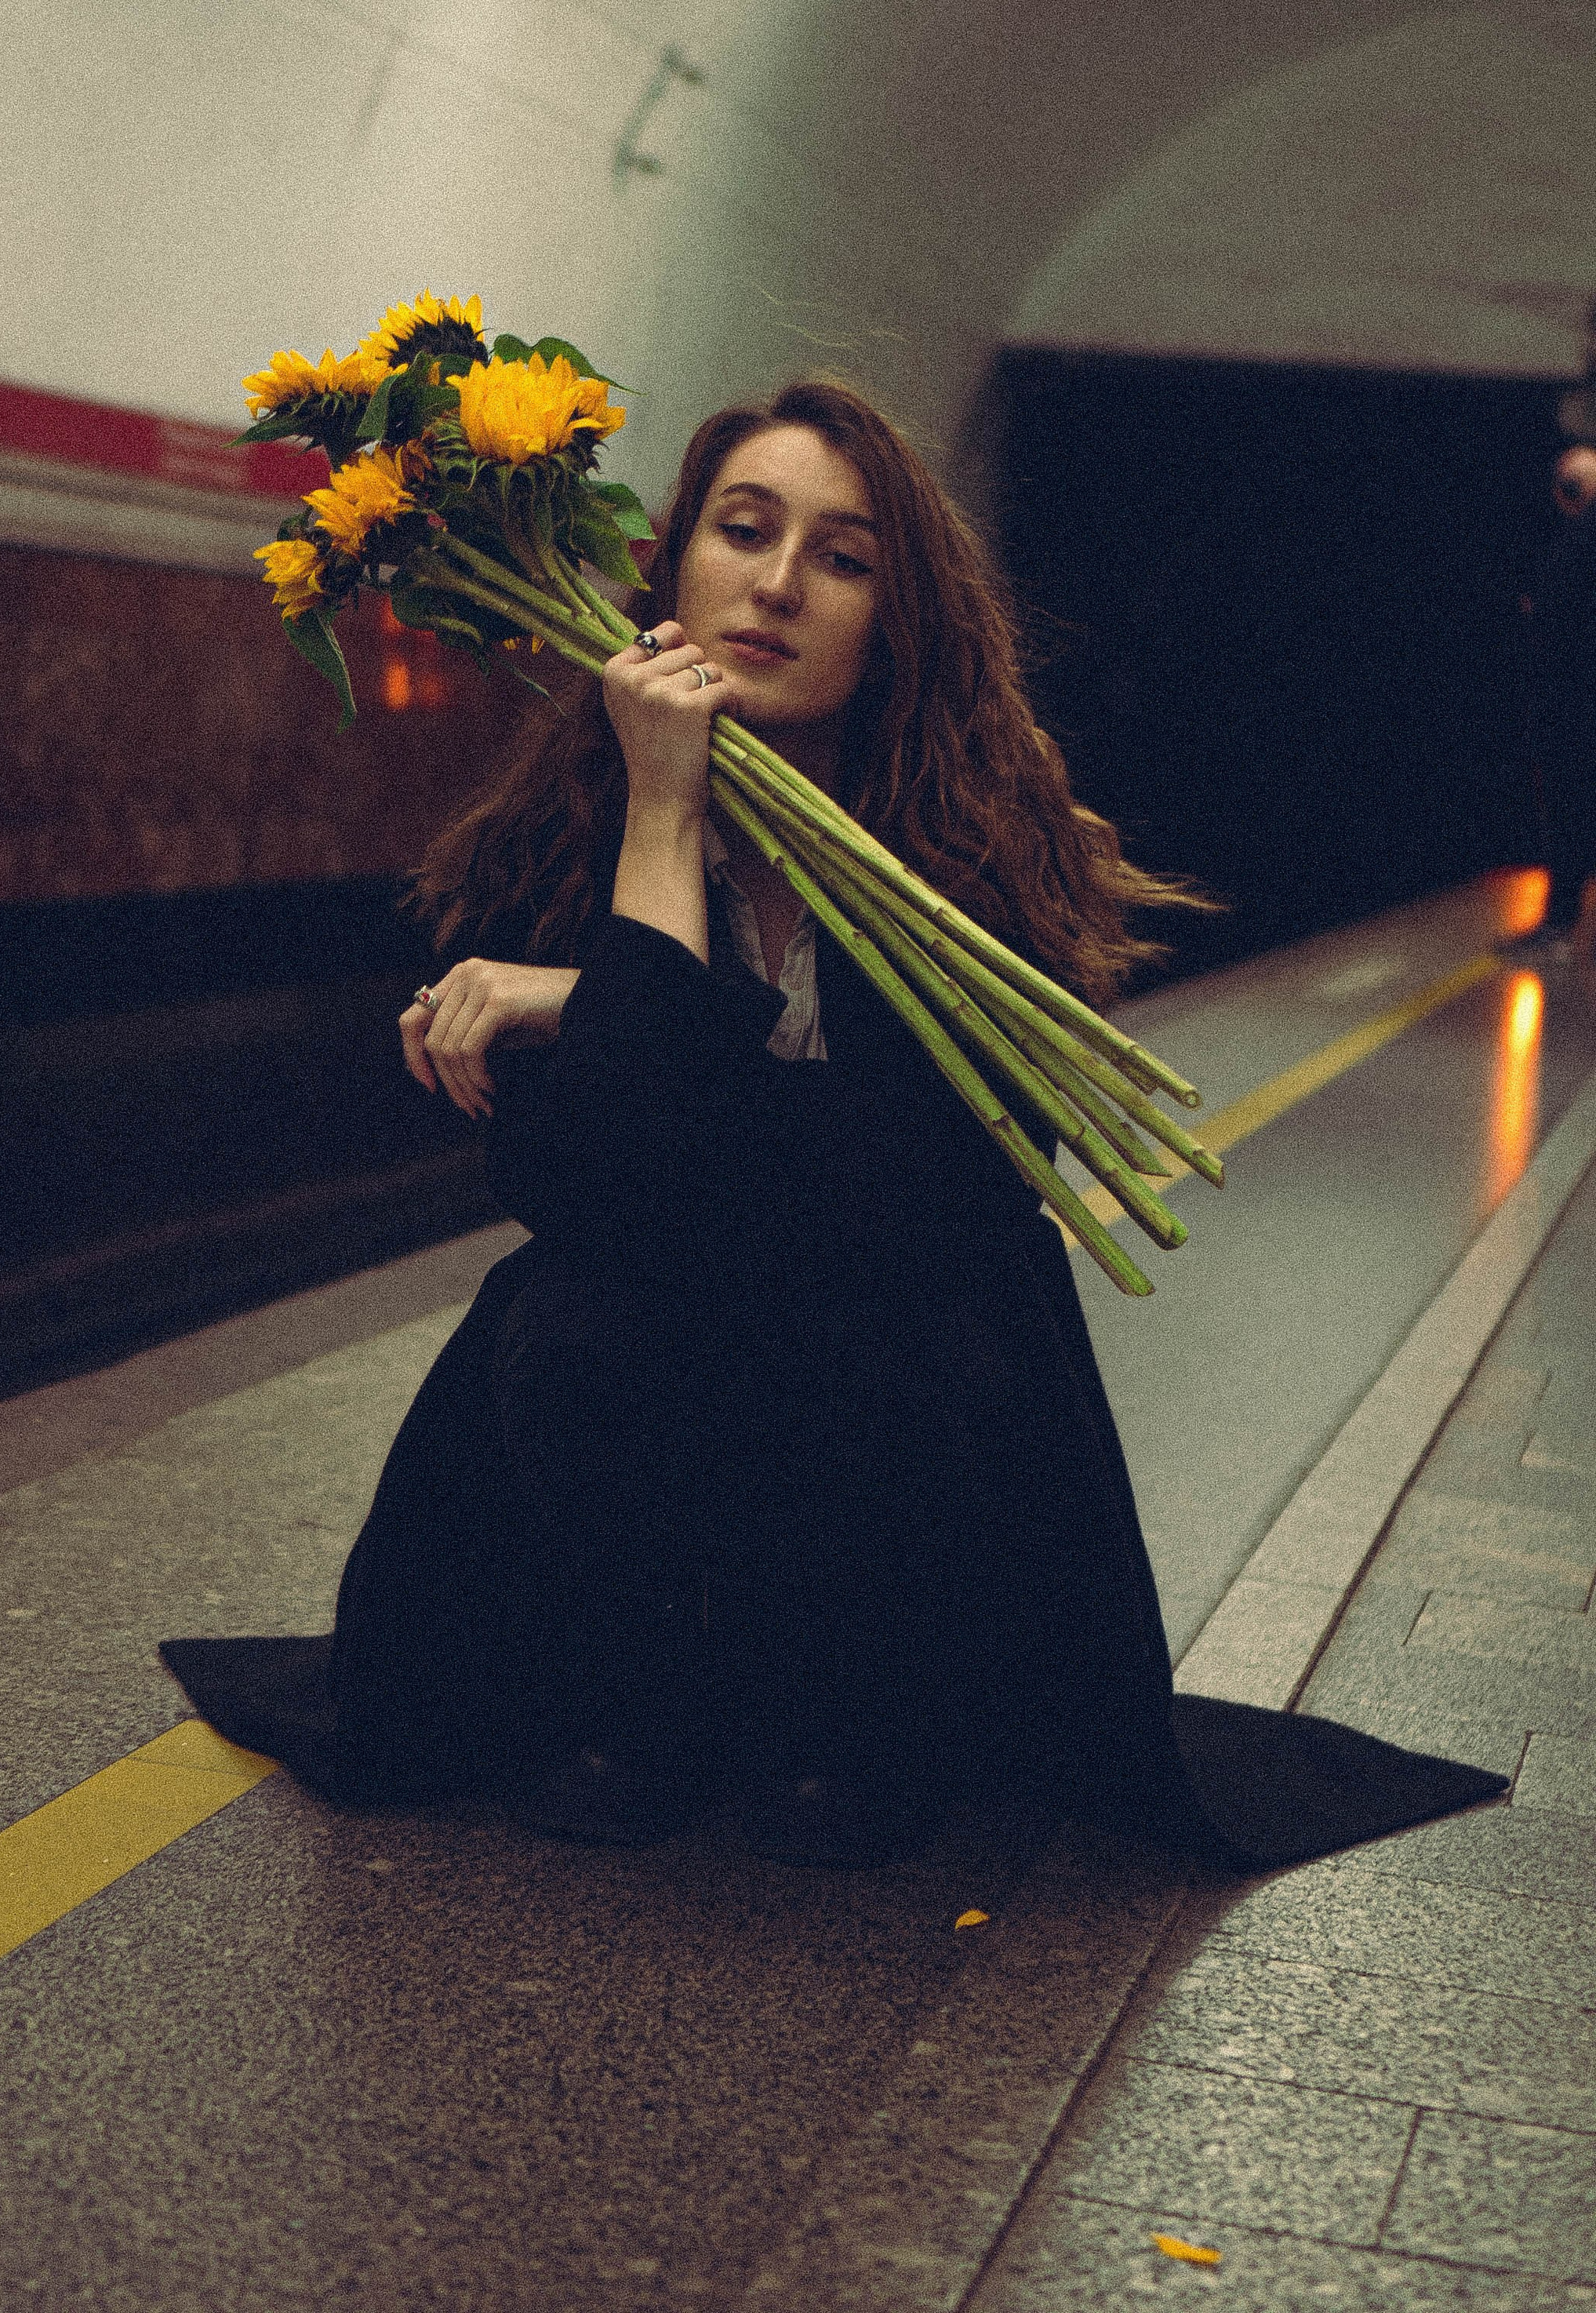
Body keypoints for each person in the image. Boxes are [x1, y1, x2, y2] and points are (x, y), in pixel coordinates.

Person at [163, 380, 1505, 1869]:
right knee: (569, 1322)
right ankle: (651, 1700)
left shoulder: (976, 851)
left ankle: (856, 1723)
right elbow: (589, 1185)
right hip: (680, 1321)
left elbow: (921, 1195)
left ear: (896, 622)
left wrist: (577, 998)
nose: (780, 584)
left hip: (907, 1361)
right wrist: (666, 826)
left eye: (844, 558)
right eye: (744, 531)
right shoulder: (576, 834)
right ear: (673, 571)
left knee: (875, 1328)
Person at [1525, 443, 1596, 961]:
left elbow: (1553, 618)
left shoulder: (1576, 543)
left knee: (1569, 812)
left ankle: (1559, 927)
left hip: (1574, 703)